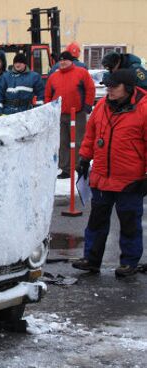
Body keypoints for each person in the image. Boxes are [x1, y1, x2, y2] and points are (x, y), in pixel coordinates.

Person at [72, 69, 147, 277]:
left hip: (130, 180)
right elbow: (91, 134)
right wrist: (84, 157)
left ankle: (129, 262)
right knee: (96, 221)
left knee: (130, 224)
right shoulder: (102, 106)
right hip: (102, 177)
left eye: (114, 86)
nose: (109, 90)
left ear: (128, 88)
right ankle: (91, 260)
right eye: (108, 86)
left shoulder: (143, 108)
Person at [45, 51, 96, 179]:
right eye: (60, 60)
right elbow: (47, 94)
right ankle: (66, 168)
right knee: (63, 142)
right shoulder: (53, 77)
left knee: (79, 140)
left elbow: (90, 88)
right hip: (60, 115)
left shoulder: (81, 73)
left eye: (65, 60)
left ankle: (80, 165)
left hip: (78, 113)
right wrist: (49, 110)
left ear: (71, 61)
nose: (62, 62)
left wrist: (87, 106)